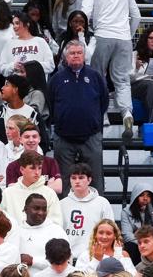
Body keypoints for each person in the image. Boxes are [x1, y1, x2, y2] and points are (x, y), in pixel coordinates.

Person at [81, 0, 140, 143]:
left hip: (102, 36)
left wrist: (84, 34)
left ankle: (103, 115)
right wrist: (128, 35)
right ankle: (127, 113)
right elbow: (136, 16)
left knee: (98, 77)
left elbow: (84, 14)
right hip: (124, 38)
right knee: (122, 80)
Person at [46, 41, 108, 193]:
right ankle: (64, 207)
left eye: (79, 53)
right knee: (64, 180)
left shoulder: (95, 76)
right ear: (66, 57)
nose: (76, 56)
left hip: (91, 136)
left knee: (95, 178)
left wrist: (93, 122)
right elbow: (50, 103)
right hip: (63, 138)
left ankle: (98, 206)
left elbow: (104, 102)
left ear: (84, 55)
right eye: (72, 53)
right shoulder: (57, 78)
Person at [60, 163, 114, 260]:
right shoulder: (61, 204)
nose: (77, 181)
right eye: (73, 178)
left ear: (89, 180)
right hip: (67, 258)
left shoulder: (102, 203)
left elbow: (110, 231)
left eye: (81, 178)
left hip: (93, 257)